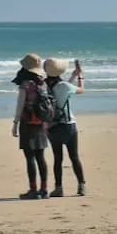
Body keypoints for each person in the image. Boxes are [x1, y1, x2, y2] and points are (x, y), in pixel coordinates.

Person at [44, 58, 87, 197]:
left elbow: (64, 87)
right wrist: (80, 76)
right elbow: (81, 90)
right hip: (68, 125)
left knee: (58, 158)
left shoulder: (43, 85)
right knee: (74, 156)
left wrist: (73, 75)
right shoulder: (64, 86)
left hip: (52, 126)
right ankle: (81, 186)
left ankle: (58, 188)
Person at [11, 54, 50, 199]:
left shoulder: (25, 85)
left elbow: (20, 105)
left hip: (27, 123)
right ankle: (44, 190)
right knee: (41, 157)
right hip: (41, 123)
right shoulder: (42, 84)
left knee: (30, 158)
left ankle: (33, 190)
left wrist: (15, 123)